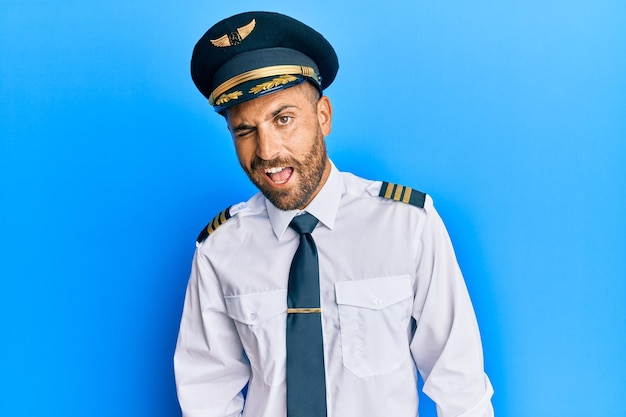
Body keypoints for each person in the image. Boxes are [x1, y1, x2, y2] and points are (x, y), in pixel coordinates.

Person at [174, 11, 494, 417]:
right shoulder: (219, 249)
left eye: (283, 119)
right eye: (245, 130)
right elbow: (206, 392)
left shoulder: (408, 224)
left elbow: (460, 383)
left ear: (323, 116)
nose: (268, 151)